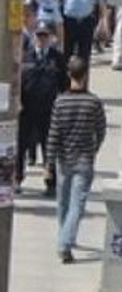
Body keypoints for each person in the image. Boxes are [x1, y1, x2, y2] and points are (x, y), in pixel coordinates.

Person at [47, 56, 106, 263]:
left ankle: (65, 240)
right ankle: (65, 243)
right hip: (84, 159)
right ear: (85, 75)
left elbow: (53, 134)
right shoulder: (94, 102)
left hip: (63, 159)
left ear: (69, 75)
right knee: (77, 205)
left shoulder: (60, 101)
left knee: (63, 203)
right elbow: (101, 130)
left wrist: (48, 163)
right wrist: (94, 149)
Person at [18, 19, 67, 197]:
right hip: (27, 109)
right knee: (21, 146)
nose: (42, 39)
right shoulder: (26, 56)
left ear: (51, 37)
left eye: (45, 35)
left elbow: (64, 85)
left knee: (49, 147)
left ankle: (50, 183)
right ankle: (17, 178)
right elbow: (19, 83)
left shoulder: (57, 58)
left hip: (49, 110)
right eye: (39, 35)